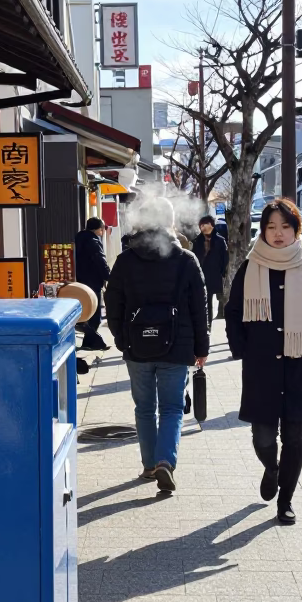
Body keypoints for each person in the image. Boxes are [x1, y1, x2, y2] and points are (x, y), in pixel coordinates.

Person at [225, 198, 302, 525]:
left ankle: (285, 502)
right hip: (261, 369)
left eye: (285, 227)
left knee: (294, 438)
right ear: (263, 231)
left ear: (296, 230)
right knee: (262, 438)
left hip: (300, 368)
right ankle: (272, 469)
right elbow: (232, 313)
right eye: (271, 227)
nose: (278, 234)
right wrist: (244, 349)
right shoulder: (251, 267)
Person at [105, 198, 209, 493]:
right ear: (171, 223)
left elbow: (112, 303)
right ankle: (166, 461)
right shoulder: (187, 260)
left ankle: (149, 465)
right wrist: (201, 347)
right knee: (173, 407)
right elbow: (199, 310)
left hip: (136, 347)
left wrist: (121, 338)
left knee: (145, 407)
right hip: (177, 347)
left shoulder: (126, 260)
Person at [74, 218, 111, 351]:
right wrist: (108, 277)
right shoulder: (94, 242)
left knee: (85, 312)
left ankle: (90, 341)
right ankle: (92, 342)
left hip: (79, 281)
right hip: (92, 282)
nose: (103, 231)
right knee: (94, 314)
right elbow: (100, 261)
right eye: (103, 229)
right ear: (98, 229)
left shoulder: (78, 239)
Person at [192, 214, 229, 329]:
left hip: (215, 275)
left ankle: (214, 324)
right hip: (201, 276)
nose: (203, 227)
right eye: (201, 225)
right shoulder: (197, 241)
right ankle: (207, 325)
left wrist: (222, 272)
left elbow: (225, 258)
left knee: (218, 300)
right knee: (205, 303)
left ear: (211, 225)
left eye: (205, 224)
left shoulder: (220, 241)